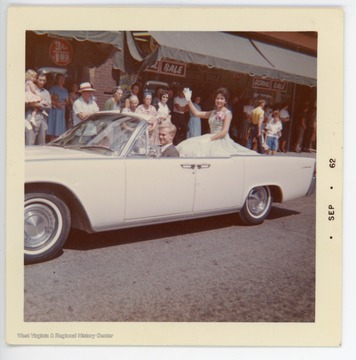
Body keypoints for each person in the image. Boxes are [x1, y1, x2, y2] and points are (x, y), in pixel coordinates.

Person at [176, 87, 255, 157]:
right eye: (217, 98)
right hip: (210, 136)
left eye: (221, 99)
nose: (219, 100)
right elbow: (197, 113)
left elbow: (224, 131)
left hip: (220, 140)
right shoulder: (213, 112)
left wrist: (209, 139)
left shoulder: (227, 113)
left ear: (225, 101)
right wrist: (189, 100)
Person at [25, 71, 51, 145]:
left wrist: (37, 105)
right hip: (30, 117)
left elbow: (49, 105)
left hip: (42, 119)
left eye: (44, 80)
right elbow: (24, 104)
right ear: (36, 79)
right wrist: (39, 104)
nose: (42, 82)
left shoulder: (46, 92)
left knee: (41, 142)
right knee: (30, 140)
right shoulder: (29, 89)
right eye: (40, 80)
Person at [47, 73, 69, 141]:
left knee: (60, 127)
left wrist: (63, 103)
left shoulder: (65, 90)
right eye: (61, 79)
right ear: (57, 80)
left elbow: (67, 102)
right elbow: (48, 99)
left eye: (64, 79)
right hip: (54, 109)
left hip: (61, 109)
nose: (63, 81)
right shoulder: (53, 88)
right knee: (53, 126)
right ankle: (51, 141)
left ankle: (57, 141)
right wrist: (56, 103)